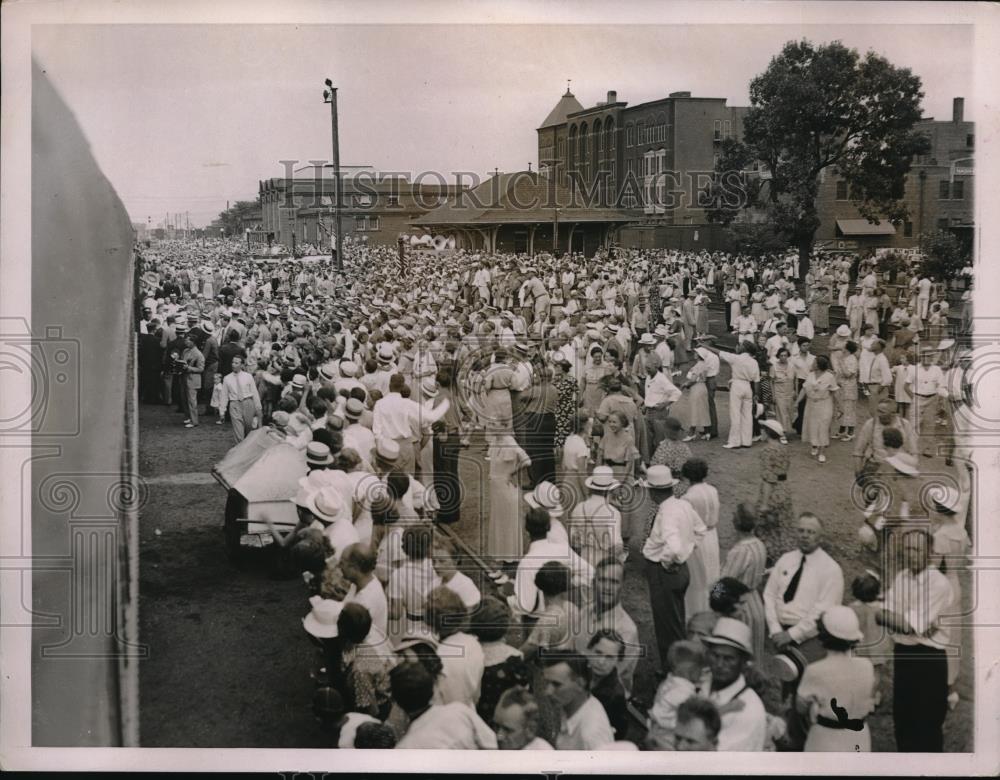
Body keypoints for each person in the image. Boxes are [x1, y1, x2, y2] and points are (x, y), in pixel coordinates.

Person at [878, 529, 953, 752]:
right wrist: (891, 617)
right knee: (903, 721)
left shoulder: (938, 583)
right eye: (908, 548)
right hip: (903, 654)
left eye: (917, 549)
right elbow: (884, 613)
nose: (911, 554)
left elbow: (907, 625)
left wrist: (893, 618)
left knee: (927, 726)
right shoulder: (902, 577)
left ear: (929, 552)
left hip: (929, 660)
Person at [641, 465, 706, 673]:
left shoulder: (667, 512)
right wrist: (688, 548)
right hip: (681, 571)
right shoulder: (681, 505)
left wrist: (669, 561)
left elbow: (674, 547)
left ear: (653, 491)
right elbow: (700, 529)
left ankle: (673, 671)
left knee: (666, 627)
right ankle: (682, 664)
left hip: (664, 573)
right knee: (676, 621)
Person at [795, 606, 875, 752]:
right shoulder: (867, 666)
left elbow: (801, 707)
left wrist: (813, 707)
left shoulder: (815, 670)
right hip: (859, 737)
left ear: (822, 636)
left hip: (826, 738)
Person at [390, 661, 497, 749]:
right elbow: (492, 745)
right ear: (433, 689)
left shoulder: (405, 747)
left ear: (397, 701)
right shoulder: (459, 712)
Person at [702, 617, 768, 751]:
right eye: (715, 656)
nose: (719, 665)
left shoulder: (749, 710)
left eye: (728, 659)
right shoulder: (701, 680)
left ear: (744, 663)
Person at [540, 650, 616, 750]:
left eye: (556, 684)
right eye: (546, 683)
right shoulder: (577, 702)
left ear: (580, 684)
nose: (548, 692)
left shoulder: (590, 736)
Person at [720, 504, 768, 661]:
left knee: (740, 654)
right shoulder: (760, 545)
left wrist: (713, 604)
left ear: (737, 522)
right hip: (757, 605)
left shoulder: (739, 551)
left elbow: (724, 582)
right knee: (756, 654)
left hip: (740, 608)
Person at [646, 639, 706, 749]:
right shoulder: (683, 693)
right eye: (700, 671)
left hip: (660, 731)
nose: (701, 675)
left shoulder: (669, 683)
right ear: (691, 671)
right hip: (669, 739)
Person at [680, 458, 720, 617]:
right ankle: (712, 611)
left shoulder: (688, 497)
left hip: (697, 539)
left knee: (696, 580)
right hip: (712, 536)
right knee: (713, 573)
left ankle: (696, 614)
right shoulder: (713, 490)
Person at [486, 433, 531, 564]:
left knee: (508, 524)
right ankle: (502, 562)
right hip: (496, 490)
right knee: (499, 523)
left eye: (494, 424)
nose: (490, 427)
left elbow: (527, 460)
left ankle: (511, 564)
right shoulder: (494, 440)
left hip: (507, 489)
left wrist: (512, 473)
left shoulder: (509, 441)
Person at [754, 420, 794, 563]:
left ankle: (769, 556)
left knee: (765, 524)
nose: (761, 433)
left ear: (767, 432)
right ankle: (785, 553)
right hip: (784, 487)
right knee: (783, 523)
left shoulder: (766, 450)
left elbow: (769, 478)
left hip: (773, 490)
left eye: (763, 430)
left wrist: (764, 503)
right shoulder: (784, 448)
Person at [584, 630, 630, 740]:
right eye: (598, 652)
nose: (601, 661)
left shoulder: (614, 696)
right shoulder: (578, 671)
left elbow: (617, 733)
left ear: (618, 661)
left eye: (609, 657)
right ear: (589, 650)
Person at [798, 355, 839, 463]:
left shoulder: (829, 376)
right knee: (812, 426)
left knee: (823, 427)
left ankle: (822, 452)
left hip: (825, 404)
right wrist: (797, 402)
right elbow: (804, 389)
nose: (812, 364)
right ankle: (814, 445)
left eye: (814, 362)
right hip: (811, 404)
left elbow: (835, 392)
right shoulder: (810, 375)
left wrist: (840, 407)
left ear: (819, 365)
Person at [218, 355, 263, 442]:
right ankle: (239, 450)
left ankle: (247, 451)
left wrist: (258, 408)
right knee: (238, 433)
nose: (233, 365)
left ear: (242, 365)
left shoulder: (248, 376)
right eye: (232, 362)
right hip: (234, 405)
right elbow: (224, 395)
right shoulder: (227, 378)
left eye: (236, 363)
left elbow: (254, 392)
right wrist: (222, 411)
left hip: (248, 403)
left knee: (249, 430)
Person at [769, 347, 795, 439]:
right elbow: (771, 381)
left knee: (789, 413)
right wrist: (773, 395)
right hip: (779, 393)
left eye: (785, 355)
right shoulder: (774, 366)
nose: (783, 357)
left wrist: (795, 391)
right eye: (781, 355)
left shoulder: (792, 366)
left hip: (789, 392)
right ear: (778, 356)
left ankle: (786, 431)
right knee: (781, 413)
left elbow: (795, 380)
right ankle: (782, 434)